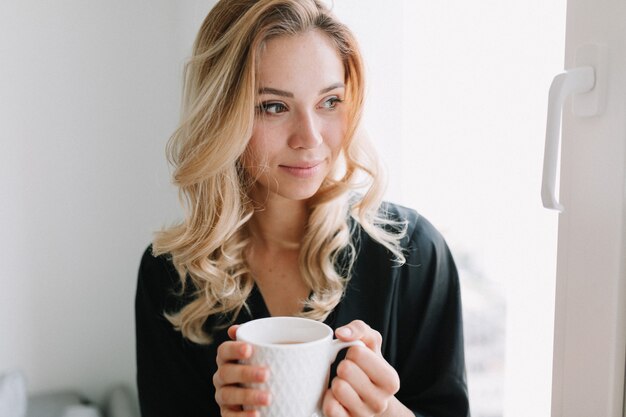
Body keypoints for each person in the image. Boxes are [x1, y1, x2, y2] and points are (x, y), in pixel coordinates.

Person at [135, 0, 470, 416]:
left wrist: (387, 412)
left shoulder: (413, 252)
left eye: (330, 101)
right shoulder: (170, 275)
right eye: (274, 106)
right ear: (222, 115)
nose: (309, 138)